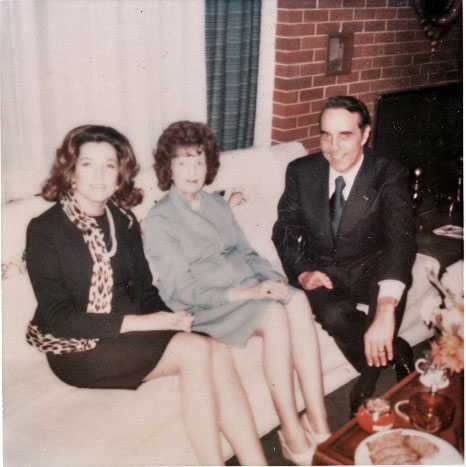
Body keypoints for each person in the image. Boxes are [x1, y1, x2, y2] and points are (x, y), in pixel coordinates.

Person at [25, 124, 266, 466]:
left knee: (217, 349)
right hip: (79, 349)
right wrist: (146, 323)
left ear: (120, 173)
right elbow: (59, 319)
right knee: (195, 351)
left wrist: (170, 317)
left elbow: (144, 289)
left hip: (129, 333)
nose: (99, 175)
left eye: (109, 165)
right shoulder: (45, 230)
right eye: (88, 164)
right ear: (71, 171)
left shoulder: (123, 221)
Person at [144, 121, 331, 466]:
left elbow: (246, 252)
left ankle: (320, 424)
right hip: (204, 306)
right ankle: (291, 431)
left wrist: (274, 281)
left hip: (243, 292)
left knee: (296, 299)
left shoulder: (216, 205)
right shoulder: (160, 219)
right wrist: (249, 292)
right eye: (182, 162)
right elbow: (182, 289)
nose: (192, 171)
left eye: (199, 161)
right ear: (167, 167)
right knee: (274, 313)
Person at [272, 95, 417, 415]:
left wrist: (385, 308)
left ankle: (364, 389)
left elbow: (401, 240)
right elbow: (283, 230)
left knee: (385, 304)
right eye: (326, 135)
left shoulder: (389, 173)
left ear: (365, 135)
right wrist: (301, 271)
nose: (334, 147)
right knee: (334, 315)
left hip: (374, 266)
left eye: (345, 135)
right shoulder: (301, 171)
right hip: (322, 269)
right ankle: (398, 350)